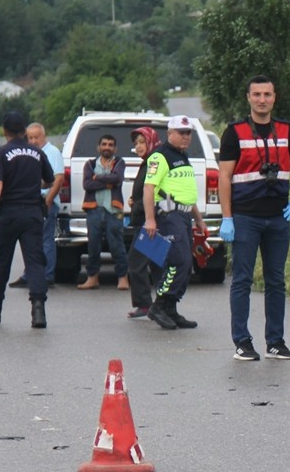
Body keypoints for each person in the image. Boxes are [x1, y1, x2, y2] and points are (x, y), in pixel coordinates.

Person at [217, 75, 290, 362]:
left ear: (274, 97)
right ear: (248, 98)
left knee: (276, 281)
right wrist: (227, 217)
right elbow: (224, 175)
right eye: (257, 94)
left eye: (267, 94)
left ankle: (275, 342)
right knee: (242, 281)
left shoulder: (285, 130)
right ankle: (243, 342)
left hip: (278, 218)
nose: (262, 100)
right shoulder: (234, 132)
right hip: (245, 218)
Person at [0, 111, 54, 328]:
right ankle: (38, 311)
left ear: (4, 131)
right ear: (24, 130)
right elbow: (49, 180)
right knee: (35, 261)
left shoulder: (0, 153)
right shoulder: (37, 153)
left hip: (8, 214)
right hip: (32, 213)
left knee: (1, 261)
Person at [142, 115, 208, 330]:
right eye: (181, 132)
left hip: (184, 215)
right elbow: (149, 188)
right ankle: (159, 305)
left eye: (188, 133)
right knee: (178, 262)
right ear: (169, 134)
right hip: (168, 216)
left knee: (186, 265)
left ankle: (170, 307)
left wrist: (198, 219)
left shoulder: (183, 156)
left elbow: (186, 193)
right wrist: (150, 219)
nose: (185, 137)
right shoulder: (159, 156)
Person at [9, 123, 65, 288]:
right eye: (30, 137)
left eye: (36, 137)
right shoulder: (29, 152)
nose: (33, 140)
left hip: (45, 202)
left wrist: (47, 202)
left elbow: (58, 179)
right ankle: (30, 274)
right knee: (30, 241)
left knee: (46, 240)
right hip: (29, 203)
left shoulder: (52, 152)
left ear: (44, 136)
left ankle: (47, 275)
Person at [77, 134, 129, 291]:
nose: (107, 147)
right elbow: (87, 184)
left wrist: (98, 177)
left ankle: (123, 278)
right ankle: (92, 278)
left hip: (114, 210)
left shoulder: (119, 162)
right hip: (94, 209)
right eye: (104, 144)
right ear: (98, 147)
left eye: (111, 144)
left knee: (117, 244)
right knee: (93, 245)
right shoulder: (90, 164)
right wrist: (107, 183)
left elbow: (117, 178)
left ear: (115, 148)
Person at [124, 126, 160, 319]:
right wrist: (134, 201)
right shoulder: (146, 163)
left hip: (149, 223)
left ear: (151, 141)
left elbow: (154, 192)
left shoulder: (154, 163)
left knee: (136, 262)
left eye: (142, 142)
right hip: (143, 221)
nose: (138, 146)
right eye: (136, 143)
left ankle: (146, 304)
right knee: (156, 264)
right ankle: (160, 304)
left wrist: (143, 210)